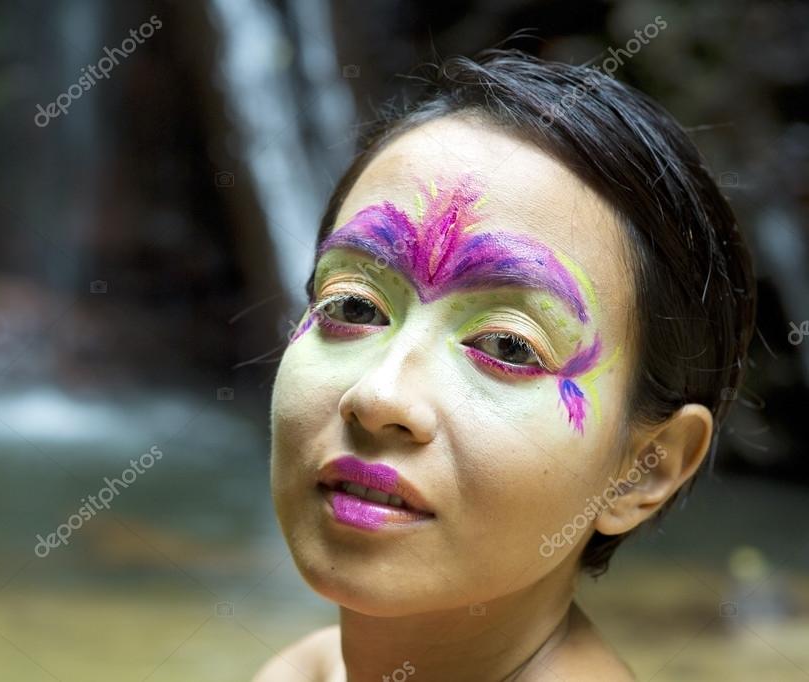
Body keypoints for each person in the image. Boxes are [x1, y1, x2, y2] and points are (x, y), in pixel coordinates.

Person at [256, 49, 756, 681]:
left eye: (509, 346)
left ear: (643, 469)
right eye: (353, 303)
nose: (378, 395)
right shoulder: (307, 671)